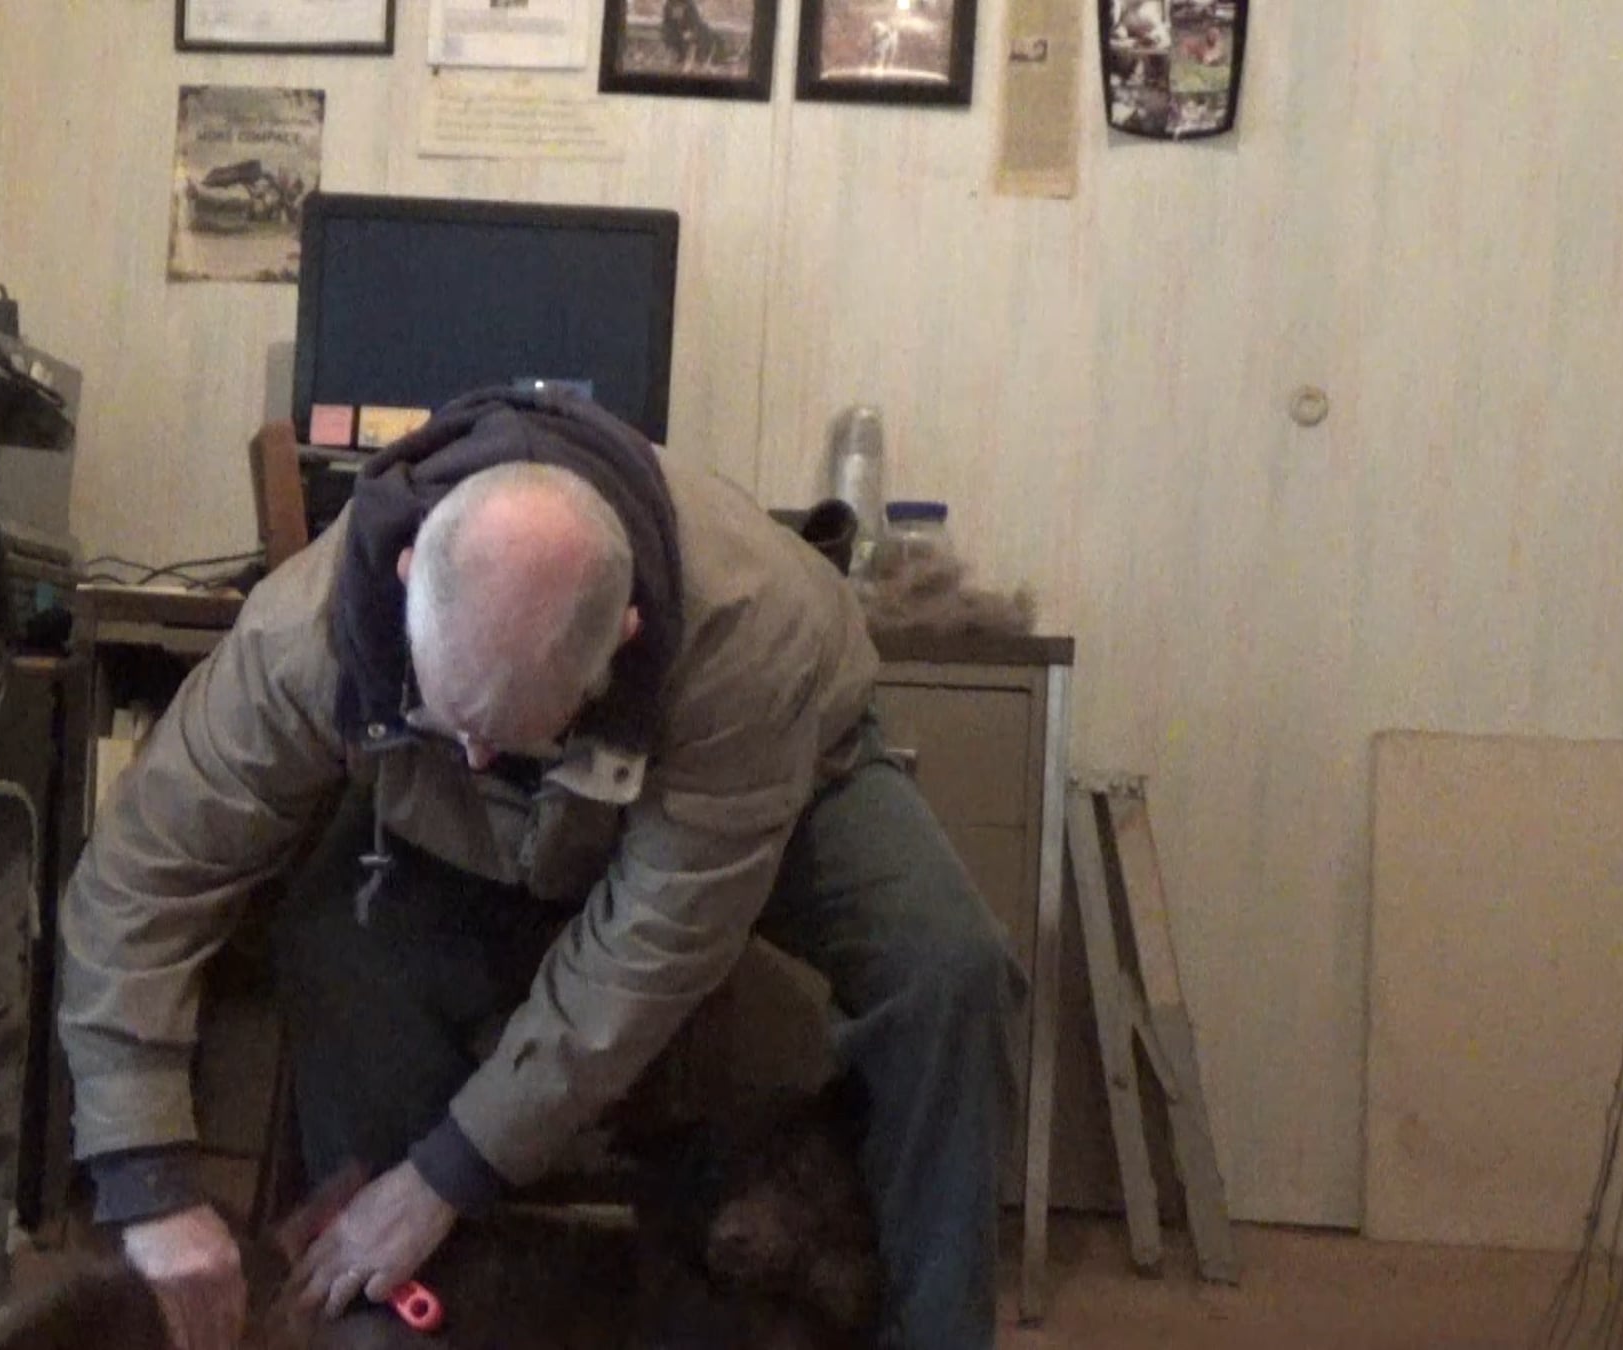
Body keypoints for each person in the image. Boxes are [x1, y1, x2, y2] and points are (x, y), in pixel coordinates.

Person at [57, 385, 1021, 1349]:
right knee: (339, 945)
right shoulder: (300, 638)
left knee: (950, 969)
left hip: (752, 773)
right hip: (453, 817)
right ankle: (388, 1311)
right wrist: (146, 1181)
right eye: (455, 719)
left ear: (624, 634)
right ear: (407, 576)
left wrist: (446, 1175)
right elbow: (142, 879)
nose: (479, 754)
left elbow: (647, 951)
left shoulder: (749, 637)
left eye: (508, 730)